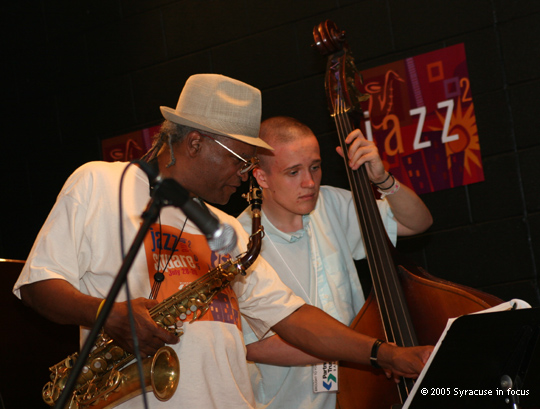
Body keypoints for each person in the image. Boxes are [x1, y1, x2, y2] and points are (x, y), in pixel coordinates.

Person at [13, 74, 432, 409]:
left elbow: (294, 317)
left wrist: (386, 353)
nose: (246, 172)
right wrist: (106, 314)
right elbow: (36, 287)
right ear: (195, 143)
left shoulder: (225, 229)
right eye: (241, 159)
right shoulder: (99, 183)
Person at [237, 116, 433, 409]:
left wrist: (383, 179)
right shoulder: (238, 238)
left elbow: (418, 222)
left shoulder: (332, 204)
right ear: (261, 177)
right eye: (293, 172)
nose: (309, 182)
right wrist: (372, 351)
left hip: (360, 393)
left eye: (315, 167)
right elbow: (252, 347)